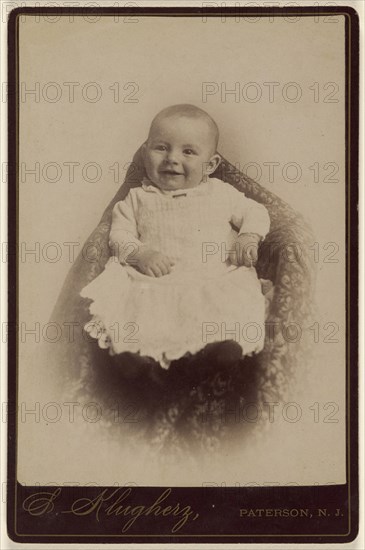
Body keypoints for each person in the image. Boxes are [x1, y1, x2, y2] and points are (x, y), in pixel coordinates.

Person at [80, 104, 270, 374]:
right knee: (140, 314)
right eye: (161, 148)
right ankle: (140, 361)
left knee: (225, 309)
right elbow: (119, 235)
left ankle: (213, 354)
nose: (172, 158)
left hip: (213, 276)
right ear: (145, 154)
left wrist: (248, 236)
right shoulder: (136, 198)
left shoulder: (222, 193)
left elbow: (256, 210)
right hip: (155, 282)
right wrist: (141, 254)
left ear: (211, 164)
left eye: (188, 151)